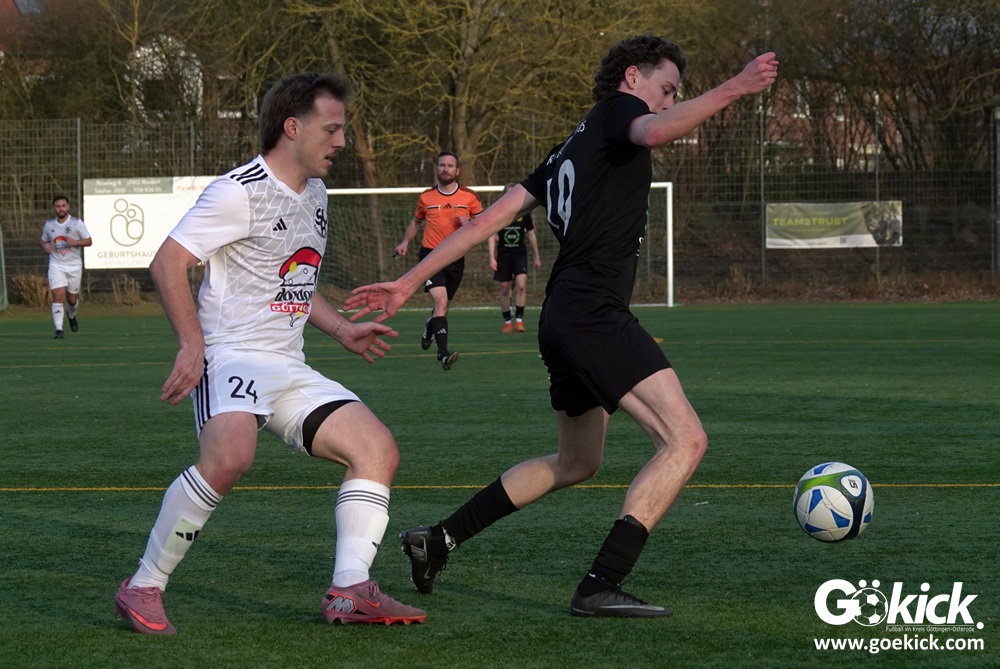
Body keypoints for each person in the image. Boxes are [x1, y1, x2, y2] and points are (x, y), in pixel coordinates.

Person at [347, 35, 778, 617]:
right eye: (667, 88)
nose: (669, 102)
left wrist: (407, 283)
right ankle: (601, 583)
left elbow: (486, 221)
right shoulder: (620, 111)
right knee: (686, 440)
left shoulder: (567, 149)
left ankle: (439, 539)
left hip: (562, 315)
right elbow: (654, 131)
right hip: (593, 312)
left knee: (578, 462)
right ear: (632, 77)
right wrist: (737, 86)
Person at [114, 72, 426, 635]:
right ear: (293, 127)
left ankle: (350, 590)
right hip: (232, 356)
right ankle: (143, 585)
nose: (341, 142)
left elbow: (294, 280)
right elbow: (168, 262)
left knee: (376, 449)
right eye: (332, 129)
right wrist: (192, 344)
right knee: (229, 458)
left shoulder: (315, 195)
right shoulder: (238, 191)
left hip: (288, 363)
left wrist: (341, 329)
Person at [393, 151, 483, 370]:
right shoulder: (426, 197)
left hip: (456, 258)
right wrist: (405, 242)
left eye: (450, 166)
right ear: (437, 169)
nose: (445, 169)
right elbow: (416, 222)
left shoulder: (470, 197)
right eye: (442, 165)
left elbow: (483, 224)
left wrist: (468, 224)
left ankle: (430, 324)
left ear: (457, 170)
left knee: (443, 306)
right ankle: (443, 354)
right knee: (440, 301)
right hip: (430, 256)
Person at [488, 183, 541, 333]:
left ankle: (519, 320)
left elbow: (531, 234)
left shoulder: (524, 214)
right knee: (505, 288)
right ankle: (507, 322)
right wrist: (492, 257)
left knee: (521, 285)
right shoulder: (499, 214)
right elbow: (491, 235)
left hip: (519, 255)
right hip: (503, 256)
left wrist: (537, 256)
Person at [40, 195, 92, 339]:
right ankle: (59, 330)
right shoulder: (49, 225)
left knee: (72, 300)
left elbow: (89, 241)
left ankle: (71, 315)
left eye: (63, 206)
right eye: (58, 206)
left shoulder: (76, 223)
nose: (61, 209)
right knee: (58, 295)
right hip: (56, 265)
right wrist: (45, 246)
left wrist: (75, 242)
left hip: (74, 266)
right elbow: (43, 240)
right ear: (54, 208)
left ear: (68, 207)